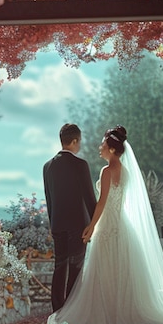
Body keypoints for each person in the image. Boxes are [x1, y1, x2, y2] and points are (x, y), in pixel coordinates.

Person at [47, 125, 163, 324]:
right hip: (122, 225)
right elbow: (110, 201)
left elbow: (102, 203)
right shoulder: (127, 172)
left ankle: (98, 314)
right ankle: (124, 313)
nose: (98, 148)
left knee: (101, 273)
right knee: (123, 272)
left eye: (102, 145)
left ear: (112, 149)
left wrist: (92, 225)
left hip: (104, 227)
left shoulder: (104, 171)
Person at [43, 123, 97, 312]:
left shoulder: (47, 166)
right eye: (79, 142)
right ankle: (72, 310)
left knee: (60, 266)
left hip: (57, 224)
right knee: (76, 267)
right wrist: (96, 223)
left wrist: (52, 224)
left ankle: (57, 310)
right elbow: (89, 198)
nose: (80, 145)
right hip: (78, 225)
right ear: (74, 141)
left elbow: (49, 200)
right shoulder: (80, 165)